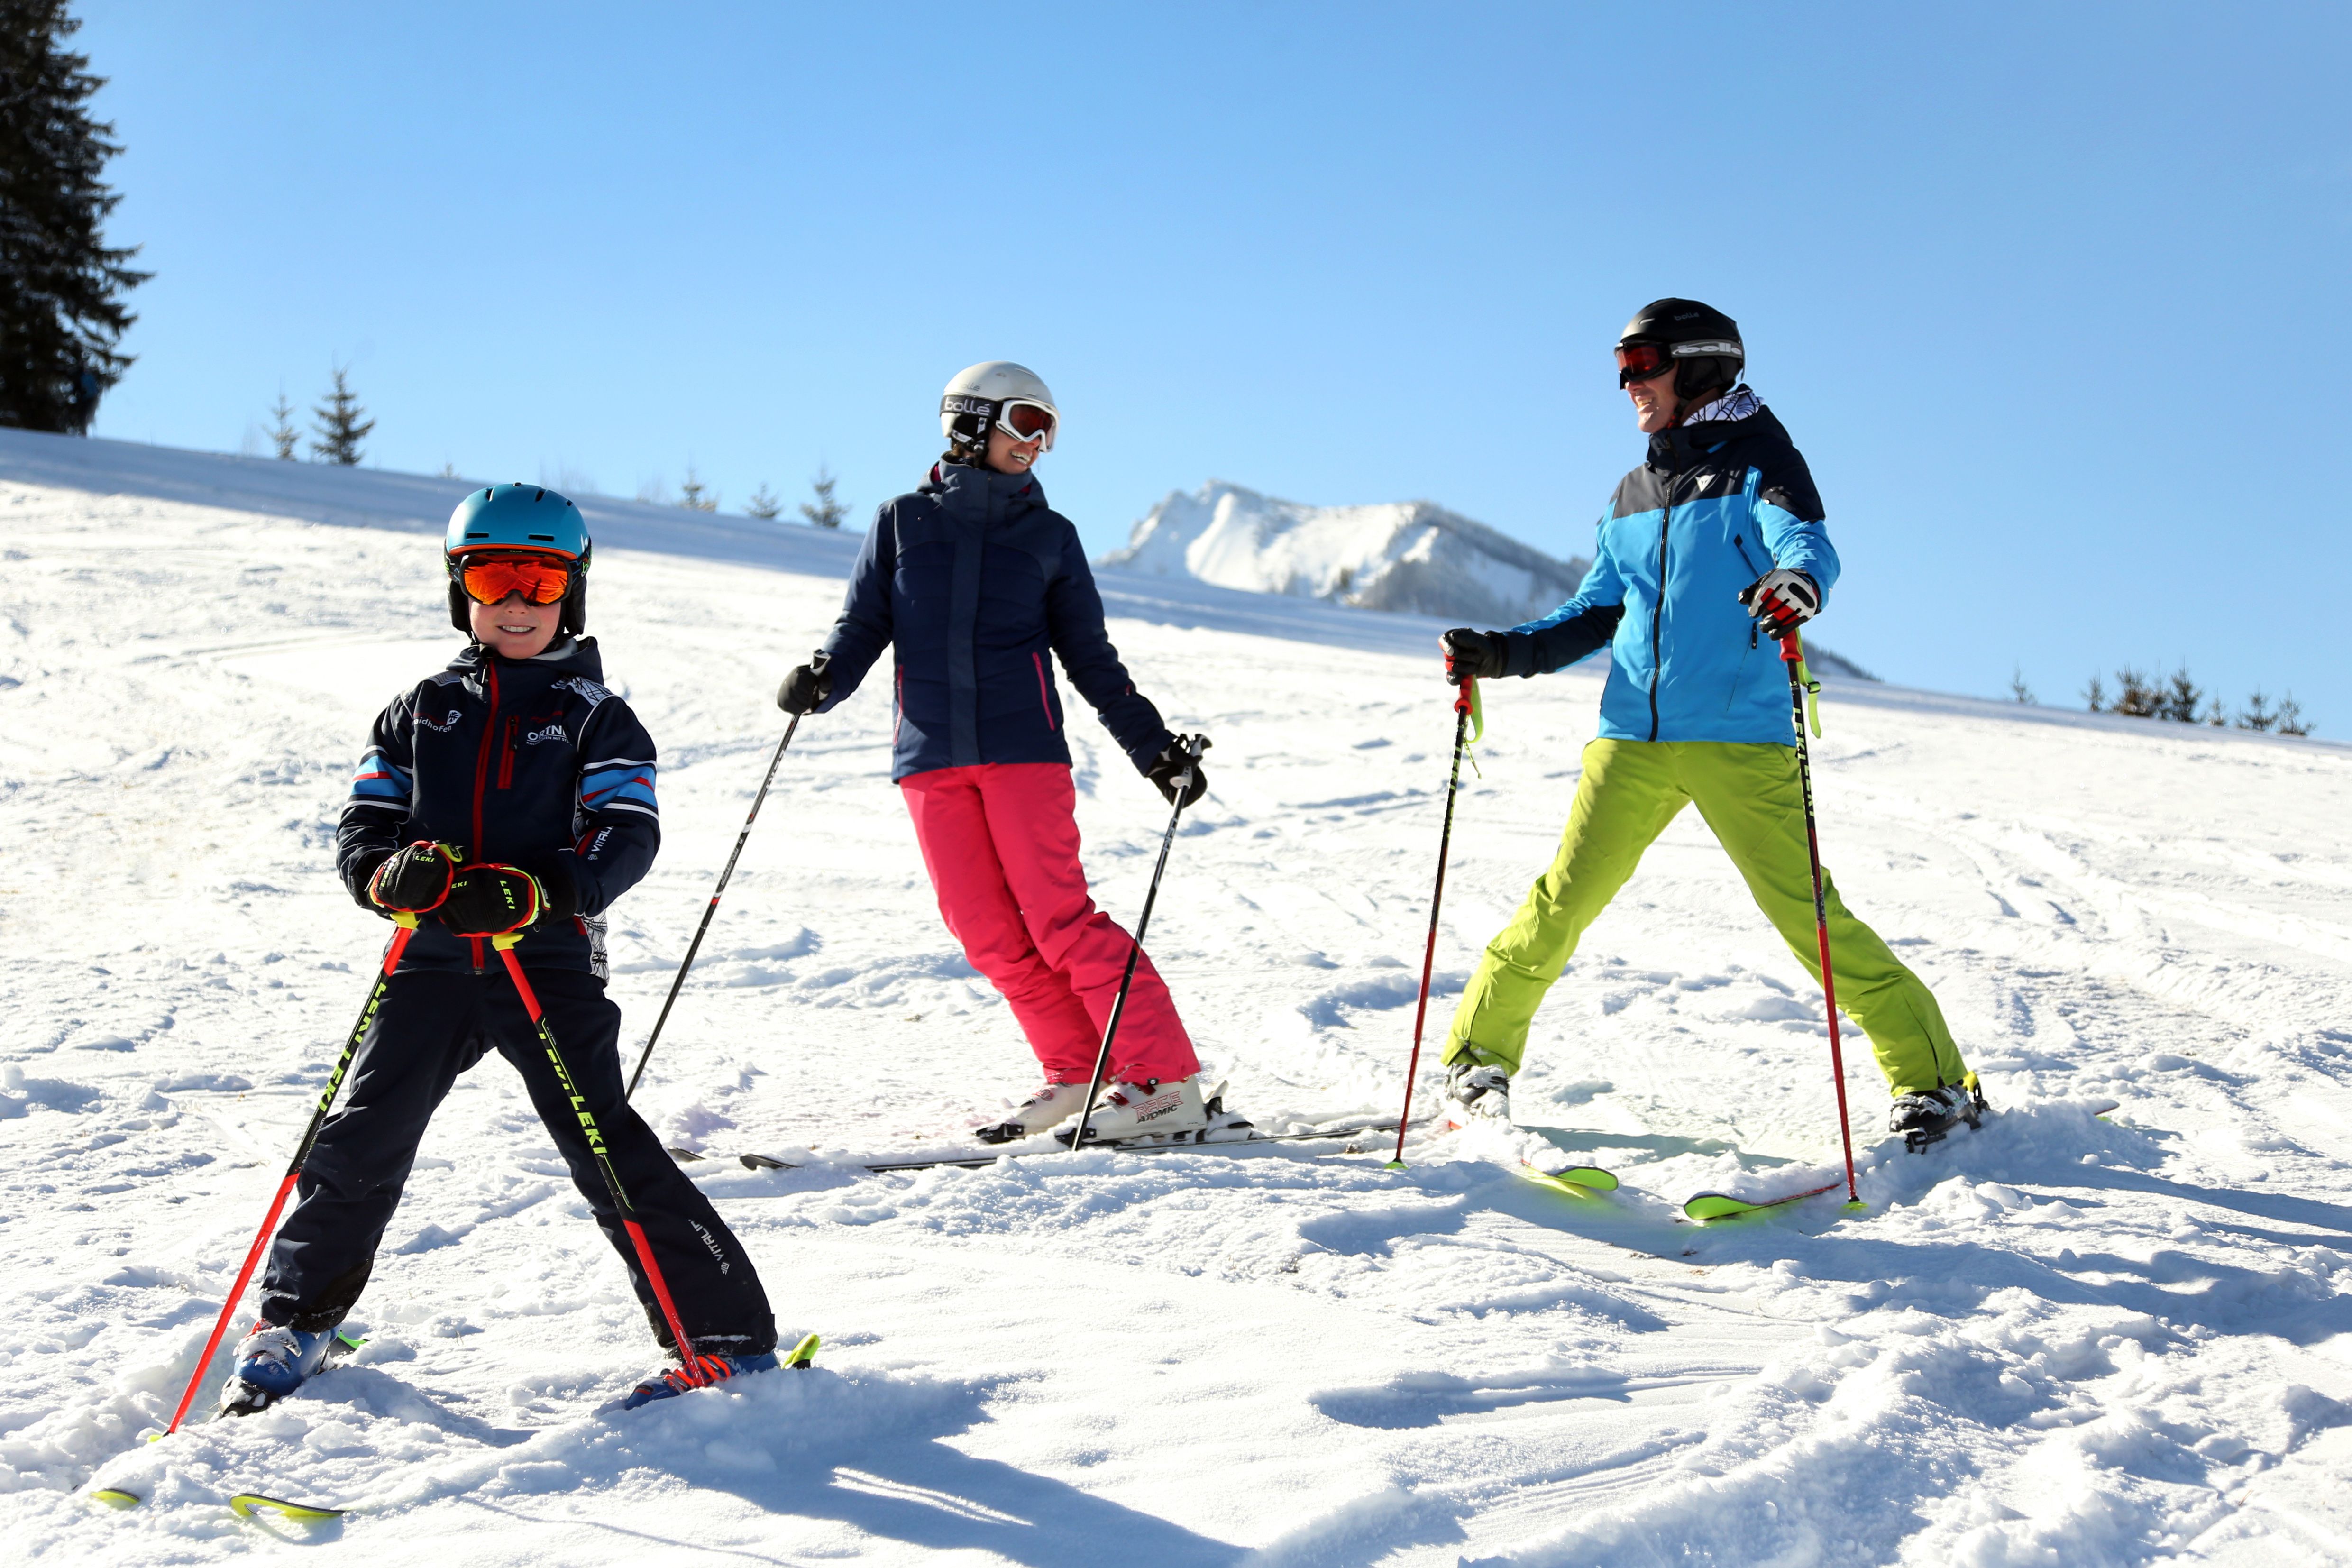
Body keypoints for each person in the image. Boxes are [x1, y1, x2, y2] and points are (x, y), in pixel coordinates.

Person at [224, 485, 779, 1415]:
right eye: (493, 577)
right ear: (461, 588)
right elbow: (365, 824)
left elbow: (626, 834)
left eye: (540, 579)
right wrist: (385, 876)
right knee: (360, 1132)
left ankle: (724, 1339)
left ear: (573, 591)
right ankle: (296, 1317)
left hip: (545, 957)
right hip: (432, 959)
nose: (516, 601)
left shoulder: (597, 715)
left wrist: (544, 890)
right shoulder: (419, 711)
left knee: (599, 1139)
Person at [1435, 300, 1983, 1144]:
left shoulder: (1763, 461)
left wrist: (1797, 585)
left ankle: (1936, 1083)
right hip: (1630, 741)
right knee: (1557, 907)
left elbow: (1804, 544)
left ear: (1697, 367)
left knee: (1811, 920)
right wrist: (1503, 654)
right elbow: (1596, 611)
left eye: (1642, 363)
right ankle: (1475, 1060)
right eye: (1619, 365)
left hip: (1737, 738)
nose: (1626, 383)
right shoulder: (1632, 491)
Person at [776, 362, 1215, 1146]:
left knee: (1059, 920)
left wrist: (1153, 749)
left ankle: (1164, 1081)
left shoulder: (1049, 537)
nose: (1038, 444)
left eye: (1049, 430)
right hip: (930, 757)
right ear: (970, 421)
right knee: (982, 929)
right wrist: (824, 678)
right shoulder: (902, 521)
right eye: (1024, 422)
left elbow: (1091, 658)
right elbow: (862, 626)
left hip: (1022, 753)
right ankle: (1078, 1071)